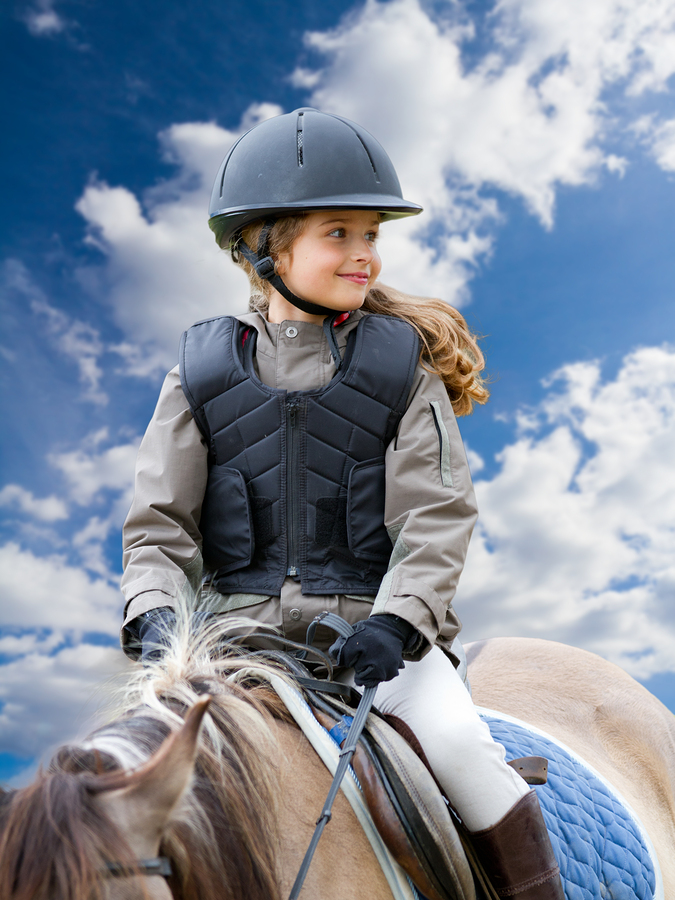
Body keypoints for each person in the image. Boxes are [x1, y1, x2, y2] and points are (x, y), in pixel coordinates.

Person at [121, 108, 564, 899]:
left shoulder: (402, 371)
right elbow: (159, 525)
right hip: (235, 654)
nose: (365, 255)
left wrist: (397, 624)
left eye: (371, 234)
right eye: (339, 234)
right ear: (264, 246)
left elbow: (435, 517)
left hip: (382, 656)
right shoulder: (196, 373)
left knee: (464, 754)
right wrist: (153, 612)